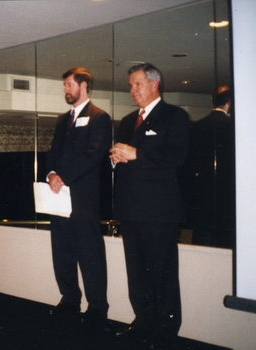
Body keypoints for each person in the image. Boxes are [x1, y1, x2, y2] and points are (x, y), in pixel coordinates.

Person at [110, 63, 190, 348]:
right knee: (137, 272)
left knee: (162, 273)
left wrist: (136, 154)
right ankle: (143, 322)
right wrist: (117, 156)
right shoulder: (129, 119)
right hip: (130, 209)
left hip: (159, 211)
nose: (132, 90)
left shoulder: (175, 116)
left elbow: (177, 157)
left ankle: (166, 330)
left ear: (154, 84)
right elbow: (126, 156)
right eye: (131, 85)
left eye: (137, 84)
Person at [45, 67, 111, 330]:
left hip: (83, 199)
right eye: (65, 86)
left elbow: (93, 156)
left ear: (84, 86)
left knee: (89, 254)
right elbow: (52, 153)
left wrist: (65, 177)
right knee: (61, 252)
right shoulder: (63, 120)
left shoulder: (99, 117)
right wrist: (51, 174)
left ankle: (97, 308)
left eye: (69, 85)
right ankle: (70, 298)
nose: (65, 90)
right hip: (58, 198)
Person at [186, 86, 235, 248]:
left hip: (201, 192)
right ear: (230, 102)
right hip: (227, 194)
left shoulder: (197, 126)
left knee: (202, 239)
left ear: (212, 100)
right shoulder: (233, 127)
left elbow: (190, 162)